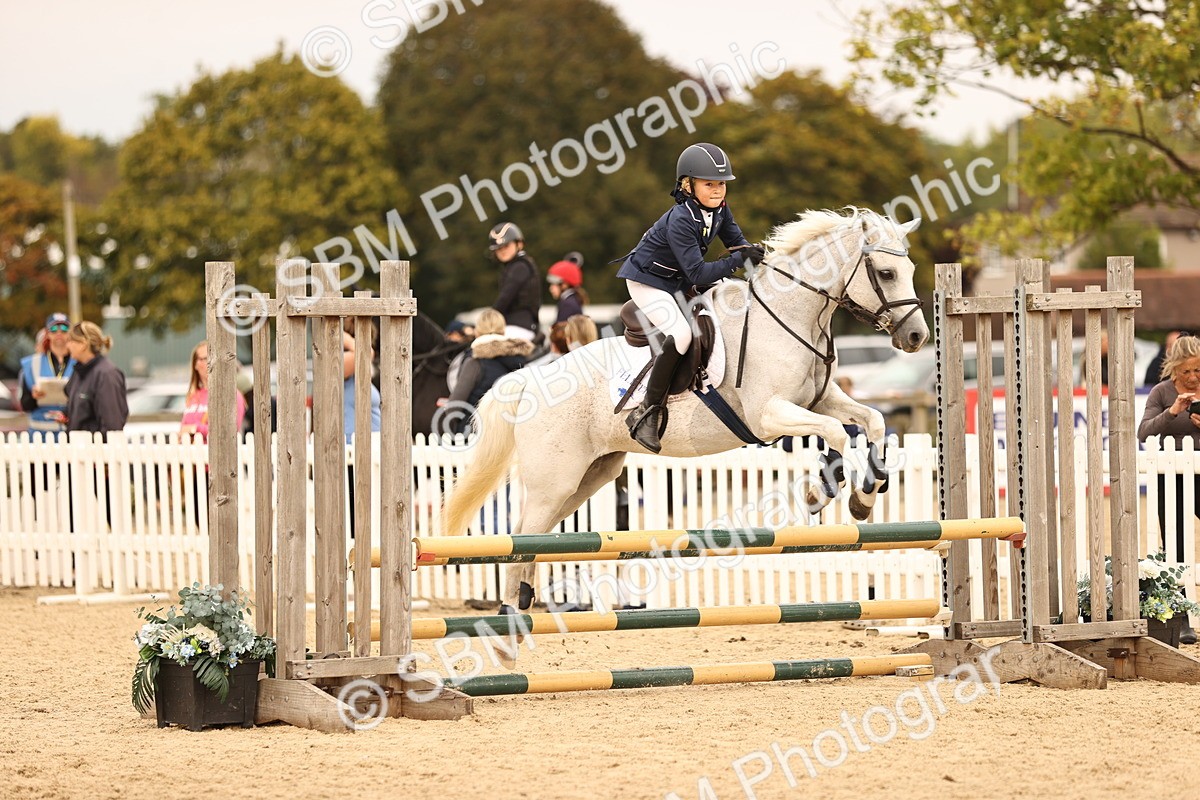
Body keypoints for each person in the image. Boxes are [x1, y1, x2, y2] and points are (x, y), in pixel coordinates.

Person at [615, 142, 764, 453]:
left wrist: (760, 263)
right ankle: (648, 411)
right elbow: (698, 273)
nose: (717, 190)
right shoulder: (681, 219)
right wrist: (738, 261)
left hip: (677, 279)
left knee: (730, 300)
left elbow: (738, 244)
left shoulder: (720, 210)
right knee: (681, 333)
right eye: (709, 184)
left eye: (721, 184)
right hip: (649, 282)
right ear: (688, 185)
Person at [1137, 333, 1200, 644]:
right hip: (1169, 476)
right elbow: (1143, 432)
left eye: (1197, 371)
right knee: (1175, 546)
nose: (1191, 377)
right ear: (1174, 369)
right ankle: (1183, 619)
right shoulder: (1161, 392)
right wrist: (1173, 411)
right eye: (1185, 371)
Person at [447, 309, 532, 432]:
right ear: (502, 331)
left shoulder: (474, 362)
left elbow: (454, 405)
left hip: (474, 433)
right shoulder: (520, 361)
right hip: (509, 433)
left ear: (477, 332)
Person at [60, 321, 128, 436]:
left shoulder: (106, 375)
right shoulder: (78, 373)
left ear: (83, 344)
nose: (67, 346)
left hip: (97, 452)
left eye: (70, 341)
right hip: (79, 449)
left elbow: (112, 425)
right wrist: (66, 416)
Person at [17, 312, 77, 437]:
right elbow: (25, 404)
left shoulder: (79, 362)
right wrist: (34, 396)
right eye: (54, 329)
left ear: (70, 333)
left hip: (70, 435)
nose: (59, 333)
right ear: (47, 333)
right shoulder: (32, 364)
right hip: (40, 435)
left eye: (64, 328)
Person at [180, 341, 247, 440]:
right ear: (196, 364)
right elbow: (183, 428)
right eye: (205, 358)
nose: (210, 362)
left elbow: (230, 431)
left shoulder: (231, 394)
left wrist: (196, 428)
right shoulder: (194, 395)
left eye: (213, 358)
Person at [488, 222, 541, 341]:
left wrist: (487, 320)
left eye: (506, 246)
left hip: (520, 327)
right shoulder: (511, 267)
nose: (502, 251)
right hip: (512, 326)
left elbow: (505, 298)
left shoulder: (520, 267)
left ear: (519, 244)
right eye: (498, 249)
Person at [546, 253, 588, 323]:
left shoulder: (567, 305)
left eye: (554, 284)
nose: (550, 288)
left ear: (564, 284)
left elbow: (560, 332)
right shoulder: (572, 301)